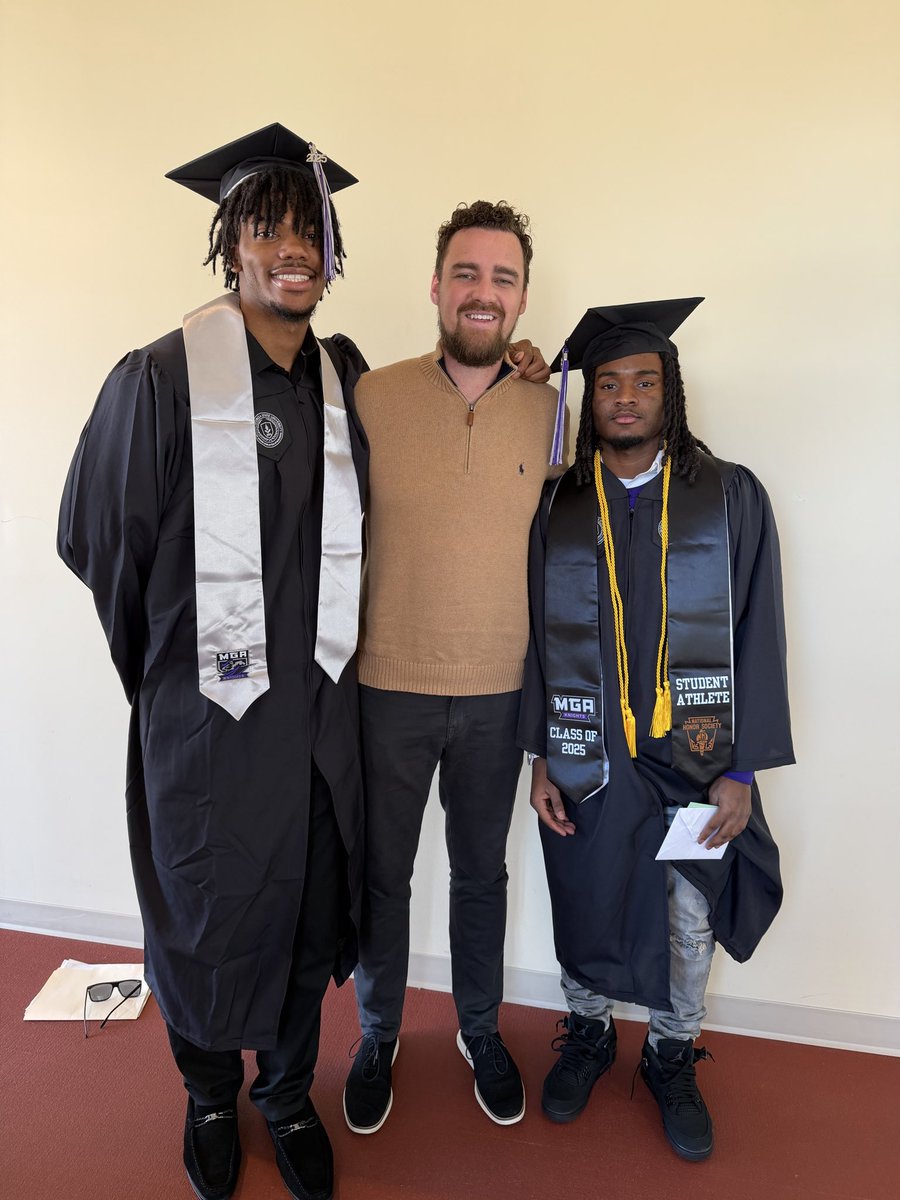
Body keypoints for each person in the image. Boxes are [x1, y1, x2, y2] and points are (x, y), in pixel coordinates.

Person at [58, 124, 370, 1200]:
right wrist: (174, 684)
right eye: (268, 226)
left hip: (321, 725)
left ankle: (285, 1092)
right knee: (203, 910)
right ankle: (206, 1094)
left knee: (299, 914)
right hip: (210, 722)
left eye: (313, 231)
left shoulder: (340, 383)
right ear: (229, 242)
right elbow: (101, 543)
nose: (294, 249)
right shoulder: (158, 378)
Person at [518, 298, 793, 1161]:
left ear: (670, 392)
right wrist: (539, 755)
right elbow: (530, 632)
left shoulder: (730, 498)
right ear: (590, 399)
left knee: (686, 915)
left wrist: (741, 771)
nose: (626, 397)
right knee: (586, 894)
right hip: (587, 749)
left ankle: (673, 1052)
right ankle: (591, 1032)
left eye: (644, 381)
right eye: (608, 383)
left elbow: (757, 632)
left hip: (694, 756)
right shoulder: (559, 503)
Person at [342, 201, 562, 1135]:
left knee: (482, 876)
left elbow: (573, 560)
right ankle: (377, 1033)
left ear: (521, 300)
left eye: (502, 278)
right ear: (436, 287)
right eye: (466, 274)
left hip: (499, 695)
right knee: (380, 878)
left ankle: (479, 1028)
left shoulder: (555, 414)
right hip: (385, 685)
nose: (483, 292)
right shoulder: (370, 398)